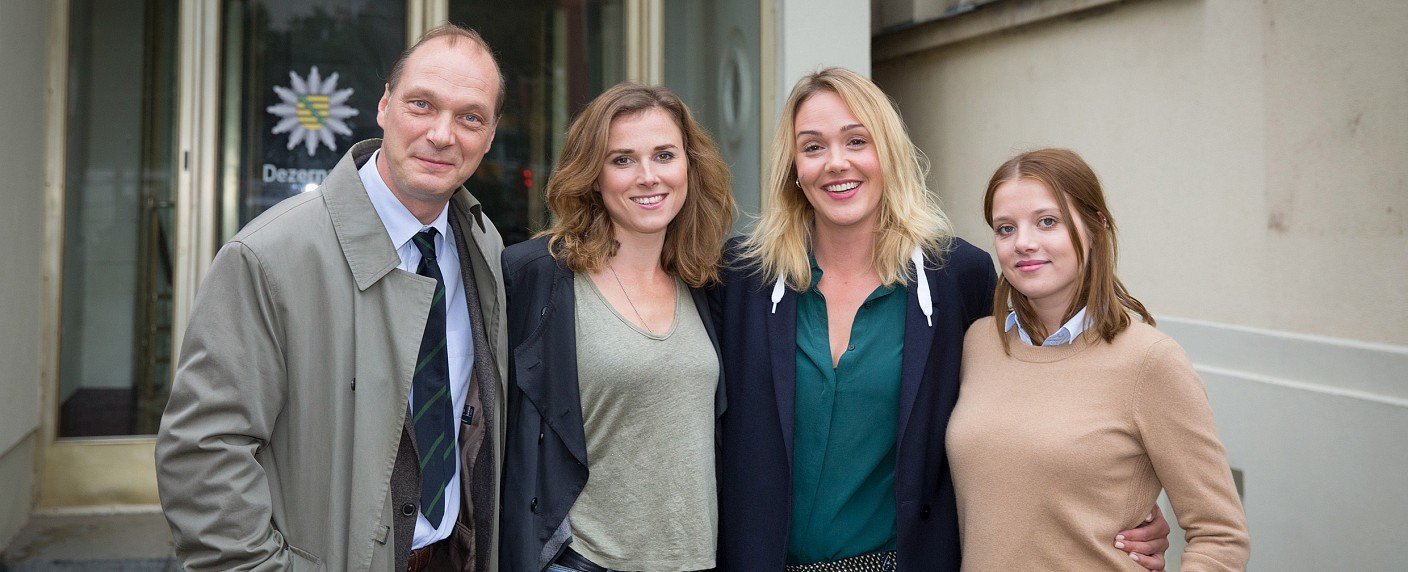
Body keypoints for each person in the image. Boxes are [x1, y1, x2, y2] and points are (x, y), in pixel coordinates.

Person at [713, 68, 1173, 571]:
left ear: (889, 153)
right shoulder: (740, 278)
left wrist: (1116, 500)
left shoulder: (957, 276)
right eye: (813, 147)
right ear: (794, 168)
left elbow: (1034, 392)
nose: (836, 162)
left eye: (857, 141)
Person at [156, 24, 508, 571]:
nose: (442, 134)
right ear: (384, 106)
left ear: (489, 136)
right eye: (422, 105)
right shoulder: (269, 256)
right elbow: (202, 455)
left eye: (470, 117)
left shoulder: (484, 245)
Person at [948, 148, 1251, 570]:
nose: (1023, 243)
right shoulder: (978, 344)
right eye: (1005, 228)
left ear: (1096, 226)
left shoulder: (1149, 361)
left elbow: (1220, 535)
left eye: (1047, 221)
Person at [499, 84, 735, 572]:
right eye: (622, 160)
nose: (648, 176)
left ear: (689, 166)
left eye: (664, 155)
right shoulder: (537, 277)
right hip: (583, 561)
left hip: (696, 562)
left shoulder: (707, 279)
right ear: (593, 176)